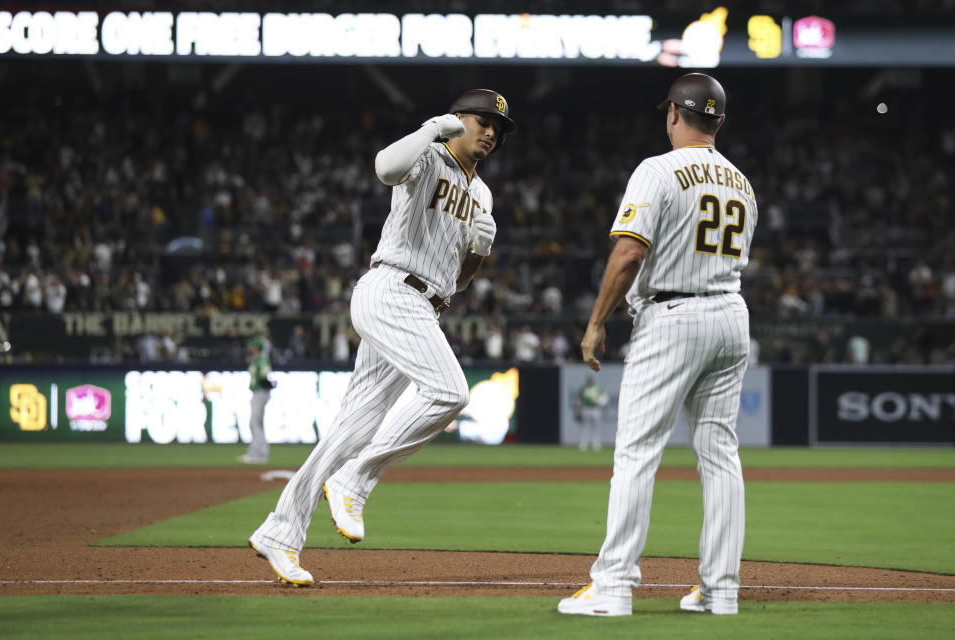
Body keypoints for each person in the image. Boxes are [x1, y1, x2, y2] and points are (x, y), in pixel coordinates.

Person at [247, 89, 515, 586]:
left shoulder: (483, 195)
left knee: (350, 429)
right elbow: (385, 169)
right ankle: (355, 479)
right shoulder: (429, 152)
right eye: (481, 121)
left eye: (498, 127)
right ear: (458, 120)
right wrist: (432, 128)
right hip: (391, 287)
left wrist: (479, 253)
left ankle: (279, 533)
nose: (492, 132)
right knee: (450, 392)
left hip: (427, 304)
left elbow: (458, 280)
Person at [557, 73, 757, 617]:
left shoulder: (657, 169)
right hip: (731, 314)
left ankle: (614, 586)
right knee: (720, 457)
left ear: (673, 113)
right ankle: (721, 591)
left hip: (673, 314)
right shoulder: (741, 181)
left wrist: (597, 321)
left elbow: (627, 255)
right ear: (718, 121)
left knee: (637, 452)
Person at [239, 335, 273, 464]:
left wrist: (265, 379)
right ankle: (257, 453)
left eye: (251, 345)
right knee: (256, 423)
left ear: (256, 346)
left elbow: (265, 374)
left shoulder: (262, 359)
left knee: (254, 422)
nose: (249, 347)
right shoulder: (256, 359)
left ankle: (259, 454)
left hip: (261, 393)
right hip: (258, 393)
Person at [576, 375, 608, 451]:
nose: (589, 381)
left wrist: (600, 404)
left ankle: (596, 444)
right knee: (585, 427)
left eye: (590, 380)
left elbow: (604, 397)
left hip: (595, 409)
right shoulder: (584, 388)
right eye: (588, 380)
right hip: (586, 408)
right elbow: (579, 399)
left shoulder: (597, 388)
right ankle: (584, 444)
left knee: (596, 427)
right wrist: (579, 409)